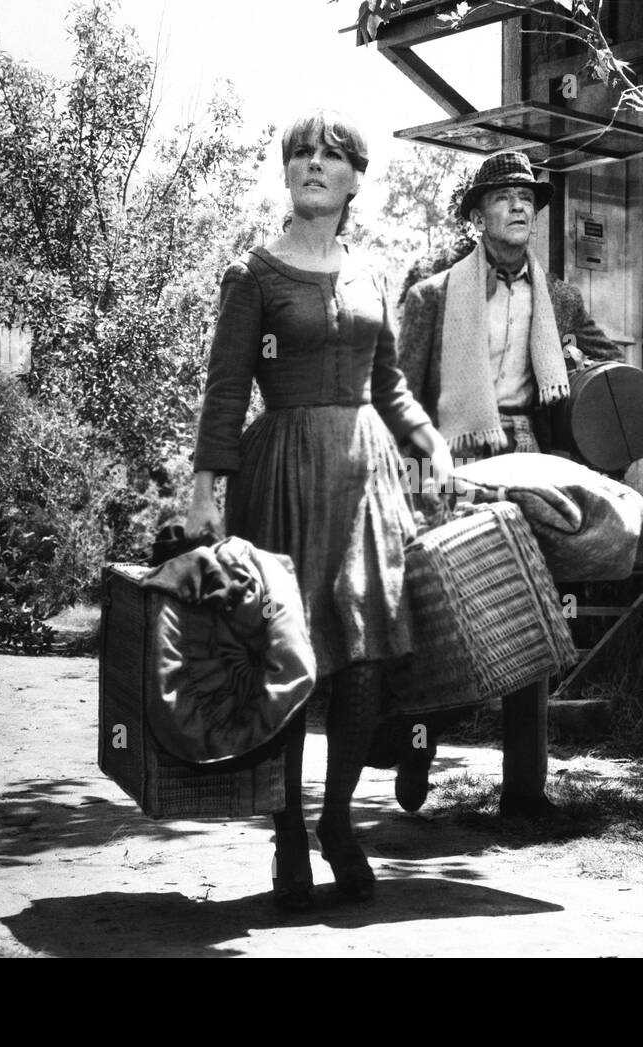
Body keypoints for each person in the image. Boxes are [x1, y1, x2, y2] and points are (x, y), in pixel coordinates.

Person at [186, 109, 453, 910]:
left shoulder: (373, 272)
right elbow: (228, 390)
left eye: (329, 157)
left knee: (364, 647)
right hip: (285, 472)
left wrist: (429, 443)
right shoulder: (255, 274)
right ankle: (288, 832)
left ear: (352, 180)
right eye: (299, 153)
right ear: (286, 173)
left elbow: (389, 383)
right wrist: (205, 489)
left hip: (367, 474)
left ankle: (338, 822)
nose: (311, 164)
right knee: (287, 652)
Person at [393, 149, 623, 819]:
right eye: (504, 198)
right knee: (451, 616)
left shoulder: (560, 297)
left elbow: (608, 371)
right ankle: (420, 740)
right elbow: (401, 395)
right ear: (478, 216)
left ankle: (525, 790)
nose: (521, 206)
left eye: (527, 197)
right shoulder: (432, 295)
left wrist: (577, 361)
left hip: (530, 458)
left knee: (531, 617)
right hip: (454, 463)